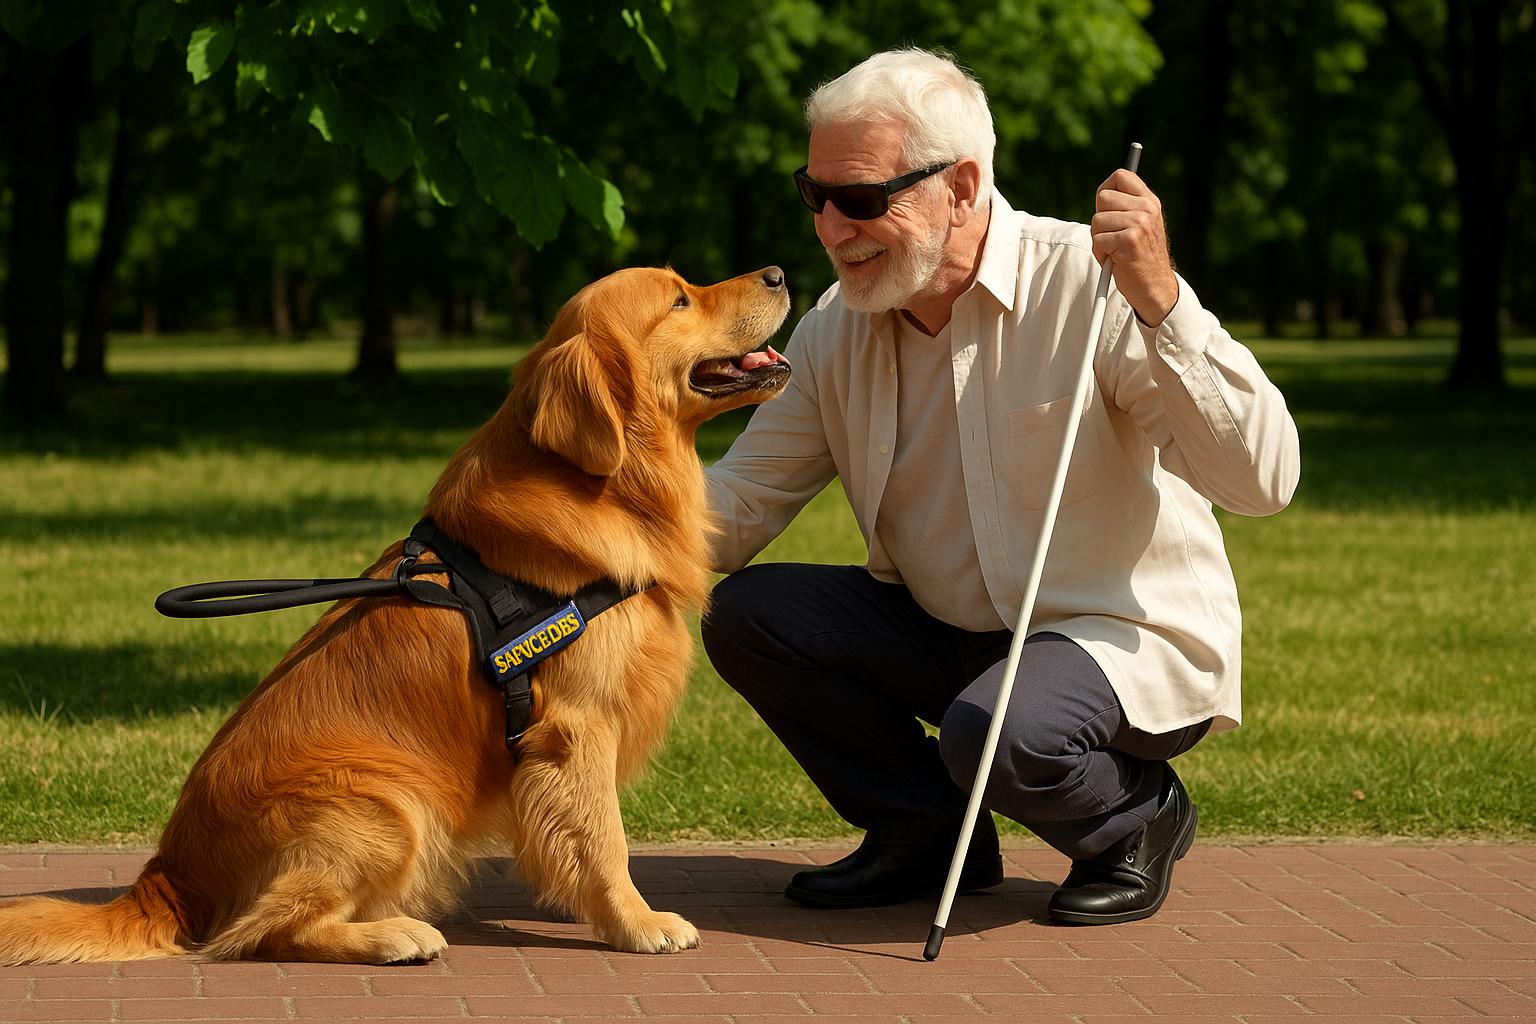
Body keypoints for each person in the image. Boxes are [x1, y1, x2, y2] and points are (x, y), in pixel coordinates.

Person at [700, 48, 1300, 925]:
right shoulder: (837, 327)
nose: (831, 227)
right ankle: (928, 832)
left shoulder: (1097, 286)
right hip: (951, 633)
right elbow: (740, 502)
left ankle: (1138, 820)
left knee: (1003, 732)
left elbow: (1263, 481)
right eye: (815, 194)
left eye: (864, 199)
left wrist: (1164, 301)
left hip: (1114, 638)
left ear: (963, 186)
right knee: (750, 616)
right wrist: (564, 538)